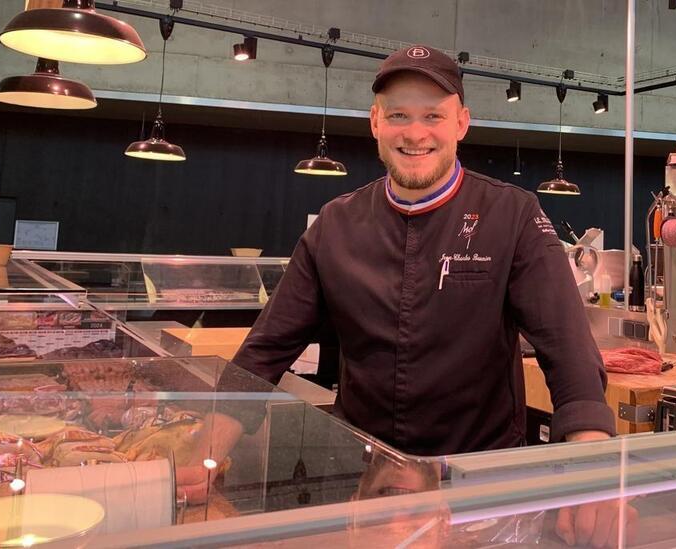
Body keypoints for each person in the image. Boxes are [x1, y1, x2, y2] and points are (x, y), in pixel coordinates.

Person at [178, 45, 627, 545]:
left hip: (477, 485)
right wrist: (206, 450)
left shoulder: (513, 215)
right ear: (375, 122)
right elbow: (267, 349)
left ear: (461, 122)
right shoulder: (336, 224)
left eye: (433, 115)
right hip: (364, 480)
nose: (415, 133)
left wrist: (593, 463)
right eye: (399, 116)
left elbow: (566, 347)